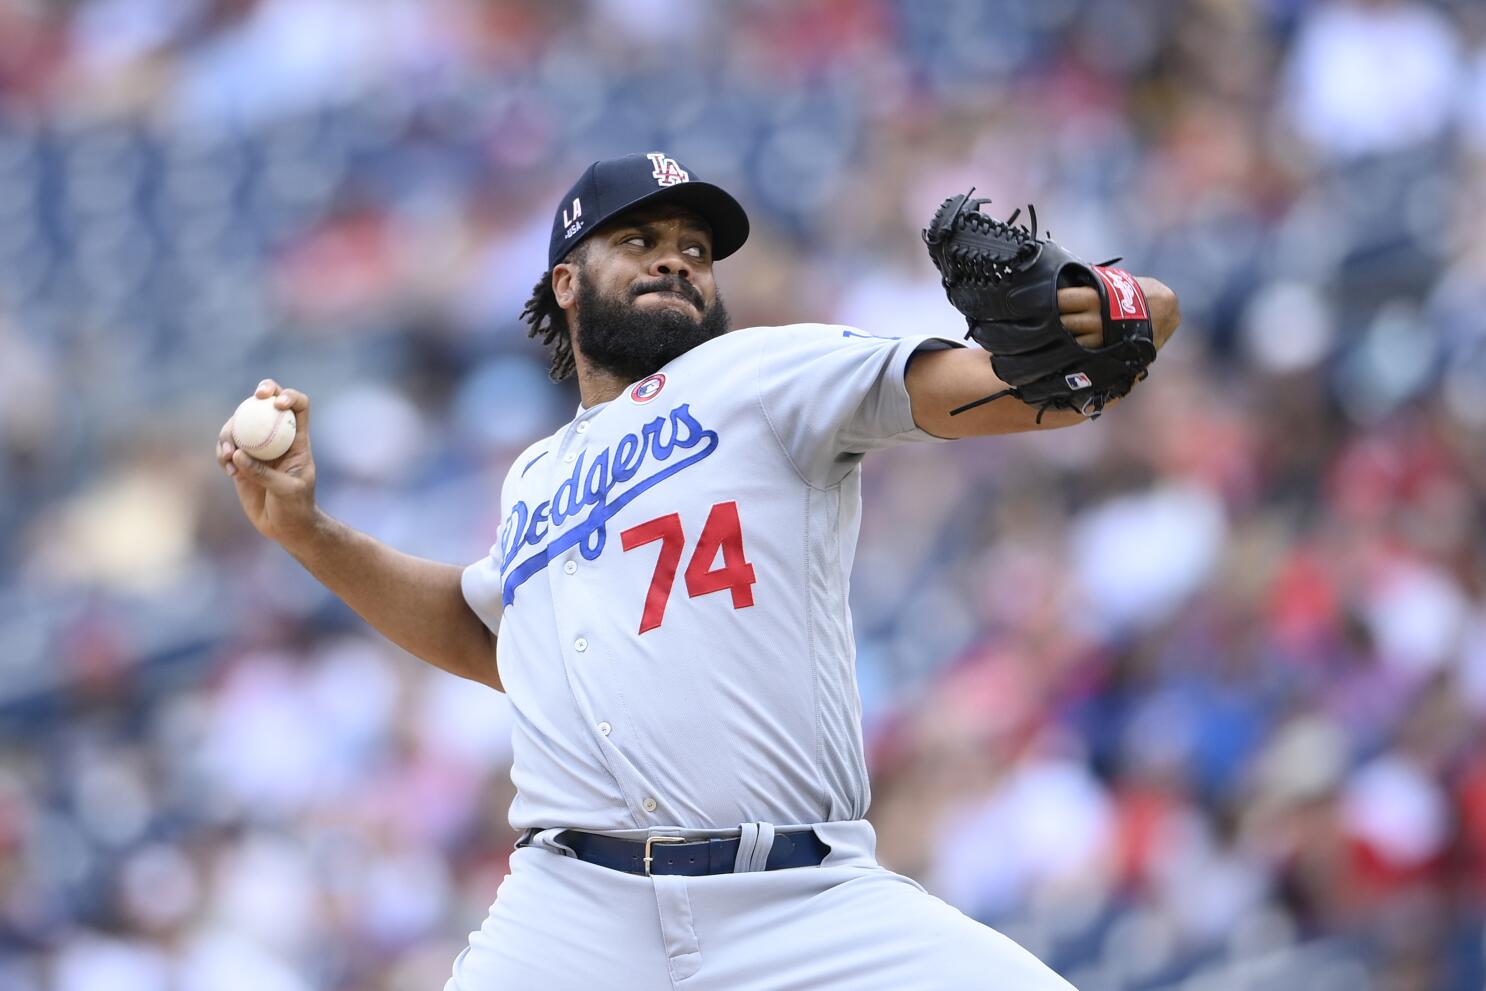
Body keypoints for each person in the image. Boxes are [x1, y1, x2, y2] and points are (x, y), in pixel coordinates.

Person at [215, 152, 1180, 990]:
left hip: (800, 897)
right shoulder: (533, 477)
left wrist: (1105, 312)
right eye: (639, 239)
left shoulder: (767, 377)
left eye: (696, 246)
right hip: (574, 909)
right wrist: (307, 532)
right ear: (564, 281)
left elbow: (1046, 380)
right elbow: (488, 635)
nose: (677, 254)